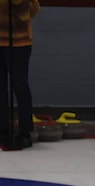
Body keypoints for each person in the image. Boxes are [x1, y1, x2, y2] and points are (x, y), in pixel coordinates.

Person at [0, 0, 39, 149]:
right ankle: (3, 129)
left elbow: (32, 11)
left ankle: (25, 132)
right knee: (0, 88)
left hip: (19, 43)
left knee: (19, 85)